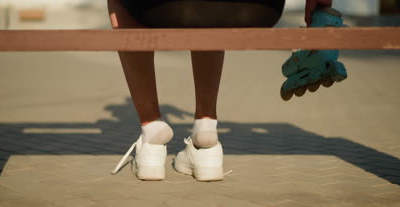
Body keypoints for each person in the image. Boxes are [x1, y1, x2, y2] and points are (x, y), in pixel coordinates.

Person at [108, 0, 332, 181]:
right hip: (260, 8)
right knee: (210, 10)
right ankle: (206, 131)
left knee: (122, 3)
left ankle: (152, 134)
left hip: (161, 6)